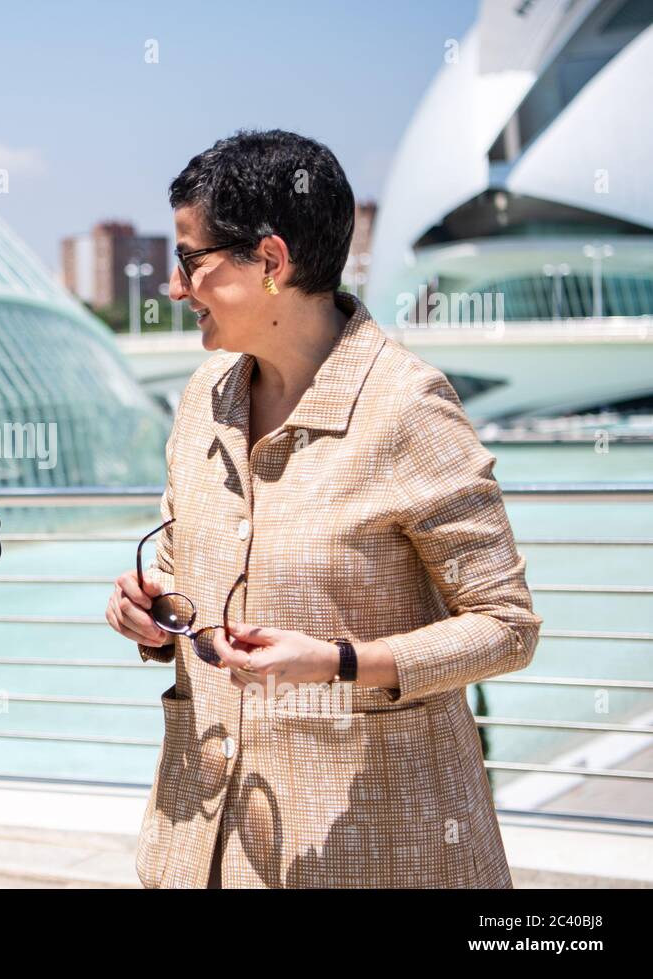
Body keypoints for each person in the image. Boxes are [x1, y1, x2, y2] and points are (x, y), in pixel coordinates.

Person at [105, 129, 541, 888]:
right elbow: (182, 568)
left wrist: (340, 663)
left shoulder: (407, 406)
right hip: (203, 842)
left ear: (271, 262)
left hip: (375, 849)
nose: (176, 289)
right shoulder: (202, 399)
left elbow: (507, 628)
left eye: (191, 260)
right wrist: (150, 613)